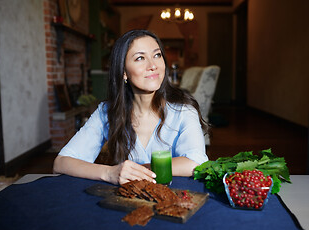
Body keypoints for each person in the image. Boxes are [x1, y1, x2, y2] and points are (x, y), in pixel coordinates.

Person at [53, 29, 209, 185]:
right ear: (124, 72)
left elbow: (196, 163)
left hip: (176, 200)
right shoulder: (107, 111)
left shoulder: (183, 111)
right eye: (140, 58)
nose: (153, 65)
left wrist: (141, 170)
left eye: (157, 55)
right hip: (128, 201)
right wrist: (110, 173)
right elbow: (61, 163)